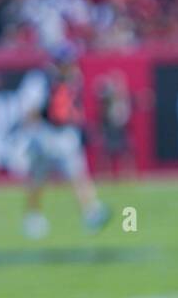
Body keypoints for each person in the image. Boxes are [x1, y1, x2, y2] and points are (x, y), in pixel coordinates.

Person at [17, 43, 109, 238]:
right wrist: (33, 135)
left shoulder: (73, 78)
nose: (71, 65)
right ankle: (33, 216)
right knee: (38, 179)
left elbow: (72, 107)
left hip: (65, 134)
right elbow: (30, 110)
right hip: (44, 133)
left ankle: (91, 212)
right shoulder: (40, 79)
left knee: (78, 173)